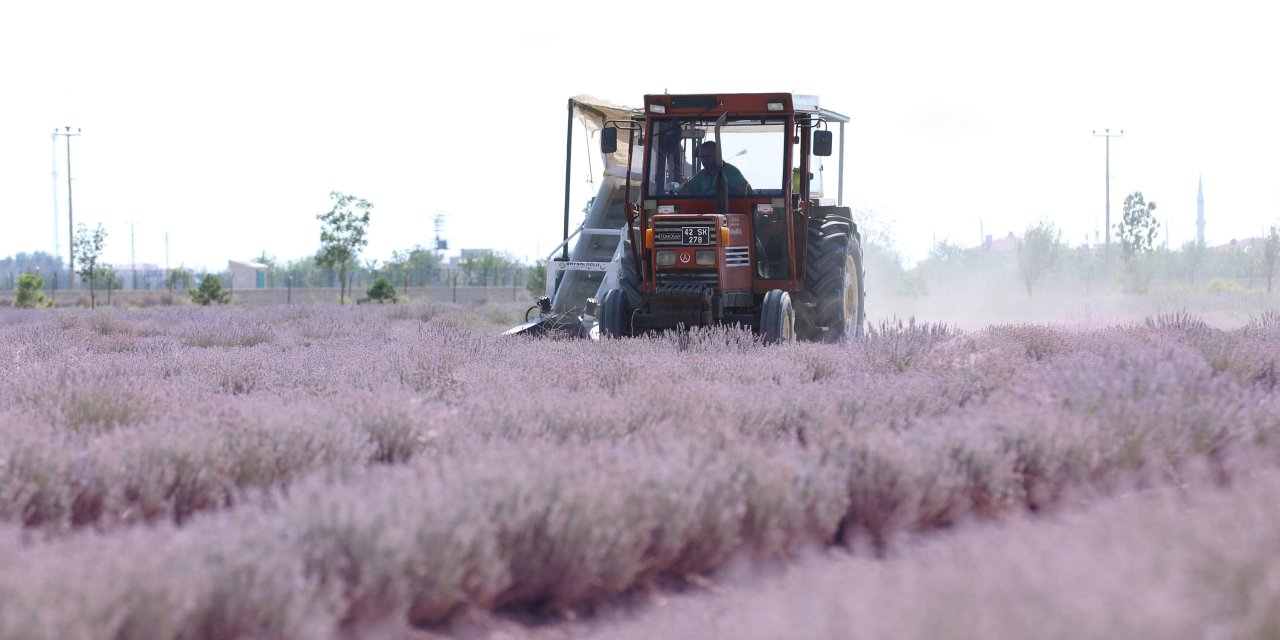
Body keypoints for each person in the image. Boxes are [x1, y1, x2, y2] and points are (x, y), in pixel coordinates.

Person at [679, 141, 751, 196]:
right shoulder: (702, 174)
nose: (705, 160)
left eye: (708, 156)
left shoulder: (730, 171)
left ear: (718, 154)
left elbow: (747, 191)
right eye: (703, 157)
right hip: (705, 211)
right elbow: (683, 190)